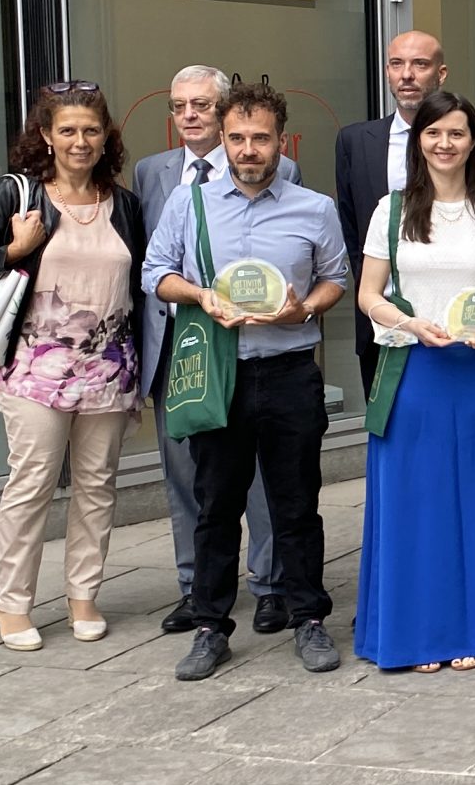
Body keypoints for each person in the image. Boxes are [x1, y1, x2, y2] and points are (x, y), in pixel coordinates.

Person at [145, 80, 349, 681]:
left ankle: (308, 618)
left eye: (260, 137)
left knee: (297, 504)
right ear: (223, 138)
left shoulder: (314, 207)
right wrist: (201, 297)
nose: (248, 149)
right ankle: (210, 627)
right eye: (237, 137)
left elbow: (336, 279)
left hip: (289, 372)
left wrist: (304, 309)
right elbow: (156, 273)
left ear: (282, 140)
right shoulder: (189, 204)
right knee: (216, 506)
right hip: (220, 370)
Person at [0, 82, 149, 653]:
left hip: (108, 367)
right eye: (68, 130)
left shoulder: (124, 205)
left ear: (106, 137)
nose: (80, 141)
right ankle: (12, 602)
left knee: (97, 486)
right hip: (34, 368)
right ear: (46, 136)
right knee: (32, 484)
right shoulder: (19, 197)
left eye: (91, 130)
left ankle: (84, 596)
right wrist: (15, 249)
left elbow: (138, 287)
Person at [351, 90, 475, 674]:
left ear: (474, 141)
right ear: (419, 140)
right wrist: (410, 323)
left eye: (457, 133)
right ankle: (417, 634)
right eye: (433, 133)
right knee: (418, 505)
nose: (444, 143)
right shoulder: (391, 210)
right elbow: (367, 295)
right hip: (414, 370)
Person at [133, 64, 301, 637]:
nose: (189, 115)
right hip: (184, 347)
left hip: (259, 345)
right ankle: (195, 586)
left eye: (201, 105)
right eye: (179, 105)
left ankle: (271, 584)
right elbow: (153, 264)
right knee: (187, 477)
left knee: (260, 478)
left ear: (225, 111)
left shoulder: (277, 168)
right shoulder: (152, 173)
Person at [337, 29, 475, 399]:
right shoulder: (354, 142)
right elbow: (352, 229)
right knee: (393, 425)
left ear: (441, 73)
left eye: (419, 64)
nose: (406, 74)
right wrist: (380, 301)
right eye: (397, 64)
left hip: (462, 331)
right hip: (383, 324)